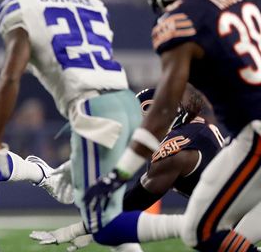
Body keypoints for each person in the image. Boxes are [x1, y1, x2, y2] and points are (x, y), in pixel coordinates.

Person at [84, 0, 261, 251]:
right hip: (244, 132)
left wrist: (118, 173)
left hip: (255, 131)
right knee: (221, 229)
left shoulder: (178, 21)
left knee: (201, 230)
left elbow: (164, 107)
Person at [0, 0, 144, 252]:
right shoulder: (92, 4)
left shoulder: (21, 6)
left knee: (103, 223)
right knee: (105, 212)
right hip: (128, 106)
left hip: (93, 112)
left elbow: (10, 75)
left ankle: (192, 223)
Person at [31, 85, 229, 250]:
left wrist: (79, 229)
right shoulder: (198, 128)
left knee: (198, 234)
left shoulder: (173, 150)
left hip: (240, 214)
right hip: (240, 208)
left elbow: (135, 201)